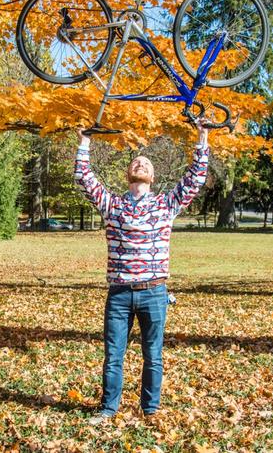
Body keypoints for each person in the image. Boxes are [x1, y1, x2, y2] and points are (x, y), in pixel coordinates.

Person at [73, 123, 209, 425]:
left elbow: (194, 180)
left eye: (146, 164)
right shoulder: (113, 205)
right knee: (114, 356)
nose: (141, 163)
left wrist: (202, 137)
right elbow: (85, 178)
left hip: (154, 292)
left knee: (153, 355)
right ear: (129, 174)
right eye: (137, 162)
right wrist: (84, 143)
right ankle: (108, 409)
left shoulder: (165, 205)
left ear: (152, 176)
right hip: (120, 293)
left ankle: (151, 410)